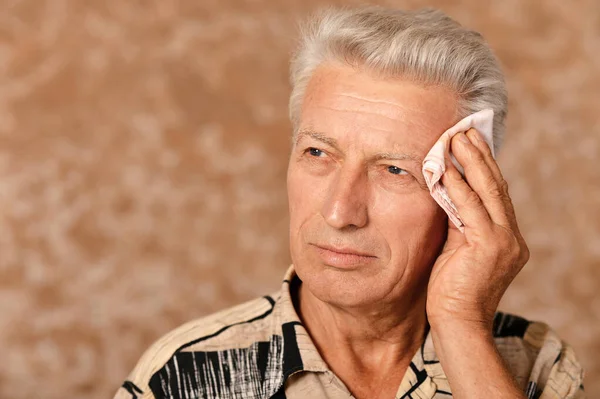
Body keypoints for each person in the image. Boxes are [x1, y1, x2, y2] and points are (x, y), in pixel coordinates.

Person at [113, 6, 585, 399]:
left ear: (466, 194)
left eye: (395, 170)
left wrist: (461, 324)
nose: (340, 213)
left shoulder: (539, 365)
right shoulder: (183, 377)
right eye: (318, 153)